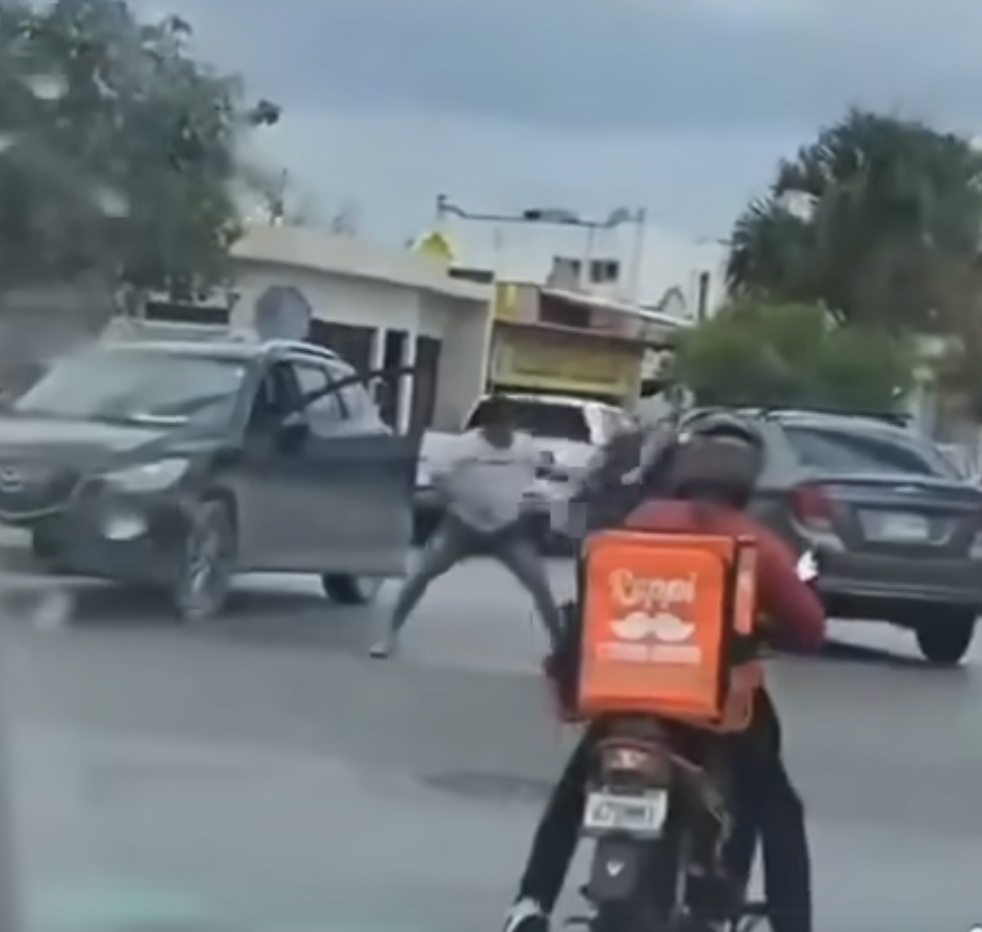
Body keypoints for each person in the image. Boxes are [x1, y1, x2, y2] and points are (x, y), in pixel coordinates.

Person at [502, 413, 825, 932]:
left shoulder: (636, 523)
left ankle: (530, 904)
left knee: (573, 789)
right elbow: (809, 627)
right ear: (747, 478)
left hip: (625, 694)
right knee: (777, 807)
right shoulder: (753, 543)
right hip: (712, 707)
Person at [370, 394, 563, 659]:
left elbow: (546, 469)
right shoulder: (465, 446)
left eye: (507, 426)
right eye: (496, 428)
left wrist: (547, 493)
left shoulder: (524, 447)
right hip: (462, 524)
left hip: (507, 528)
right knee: (422, 573)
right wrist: (459, 495)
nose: (502, 435)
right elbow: (438, 477)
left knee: (538, 583)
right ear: (486, 428)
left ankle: (561, 646)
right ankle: (389, 636)